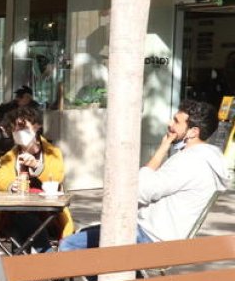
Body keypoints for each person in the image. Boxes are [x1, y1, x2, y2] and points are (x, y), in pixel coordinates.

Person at [60, 100, 231, 251]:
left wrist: (162, 149)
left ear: (193, 132)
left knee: (69, 245)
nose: (170, 124)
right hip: (162, 236)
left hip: (149, 237)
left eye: (176, 121)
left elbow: (139, 190)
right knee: (84, 233)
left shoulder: (189, 162)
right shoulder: (206, 159)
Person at [0, 106, 74, 250]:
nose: (17, 131)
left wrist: (37, 166)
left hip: (48, 214)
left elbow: (57, 177)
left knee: (21, 224)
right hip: (15, 210)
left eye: (22, 126)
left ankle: (22, 259)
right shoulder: (8, 157)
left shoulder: (52, 153)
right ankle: (43, 257)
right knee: (20, 220)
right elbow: (1, 181)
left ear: (36, 126)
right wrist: (12, 186)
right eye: (13, 128)